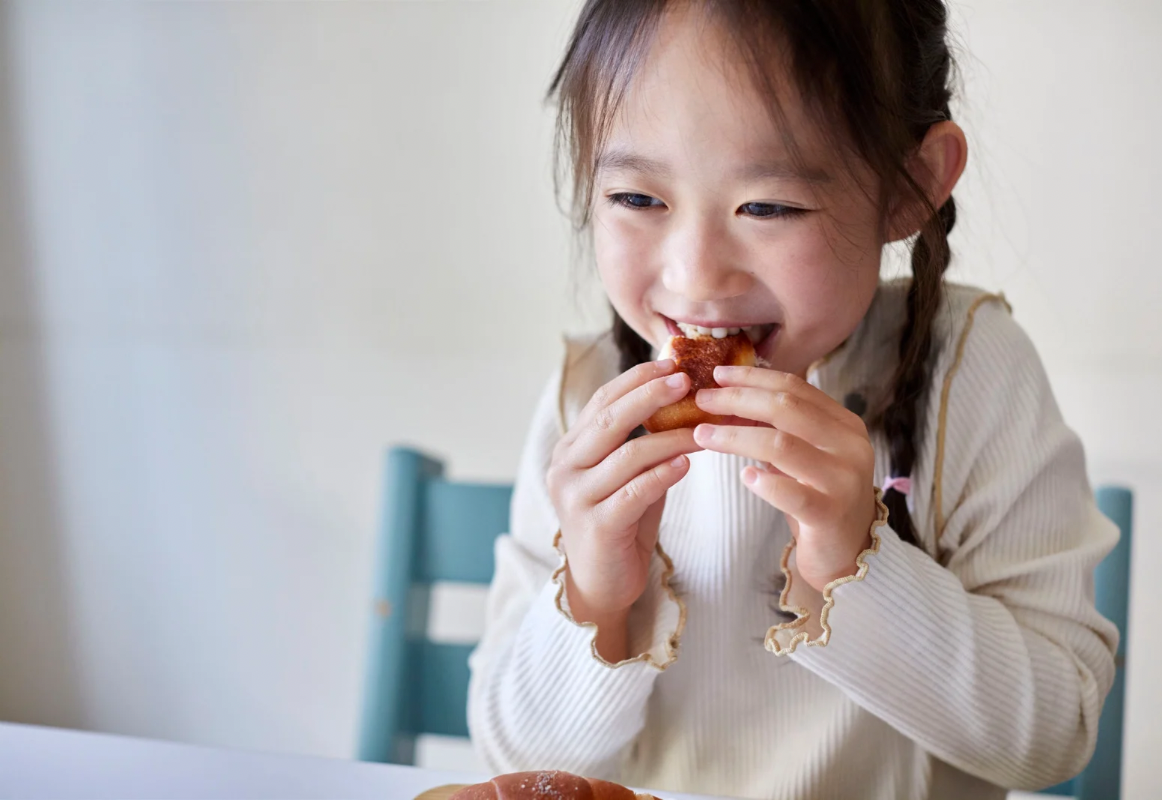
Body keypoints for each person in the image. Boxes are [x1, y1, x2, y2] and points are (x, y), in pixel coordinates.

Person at [466, 2, 1119, 798]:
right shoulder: (590, 399)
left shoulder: (967, 369)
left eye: (769, 206)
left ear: (910, 185)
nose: (697, 276)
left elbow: (1053, 737)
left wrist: (853, 558)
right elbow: (513, 761)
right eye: (637, 198)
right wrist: (597, 592)